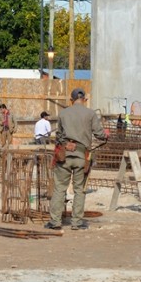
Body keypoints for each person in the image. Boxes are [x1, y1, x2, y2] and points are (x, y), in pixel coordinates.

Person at [45, 88, 107, 231]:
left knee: (60, 188)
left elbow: (59, 136)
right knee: (79, 190)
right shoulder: (90, 114)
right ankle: (76, 223)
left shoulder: (63, 113)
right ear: (84, 99)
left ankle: (55, 222)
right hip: (81, 156)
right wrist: (105, 136)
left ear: (71, 100)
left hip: (64, 155)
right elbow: (100, 134)